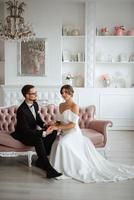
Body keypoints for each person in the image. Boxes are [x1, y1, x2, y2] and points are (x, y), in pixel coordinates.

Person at [49, 84, 134, 183]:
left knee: (62, 144)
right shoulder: (61, 105)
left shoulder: (74, 106)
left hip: (73, 133)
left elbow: (72, 125)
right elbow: (59, 121)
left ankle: (68, 169)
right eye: (62, 92)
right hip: (64, 132)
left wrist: (57, 127)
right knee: (56, 144)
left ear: (71, 93)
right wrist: (53, 124)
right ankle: (56, 169)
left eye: (66, 92)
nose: (64, 94)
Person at [11, 84, 62, 179]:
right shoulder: (21, 110)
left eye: (36, 93)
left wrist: (46, 125)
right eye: (33, 93)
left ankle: (40, 161)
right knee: (38, 139)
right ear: (27, 95)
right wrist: (43, 133)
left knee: (53, 131)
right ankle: (49, 170)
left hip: (32, 131)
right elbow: (26, 131)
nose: (36, 95)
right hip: (23, 134)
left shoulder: (35, 104)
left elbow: (38, 120)